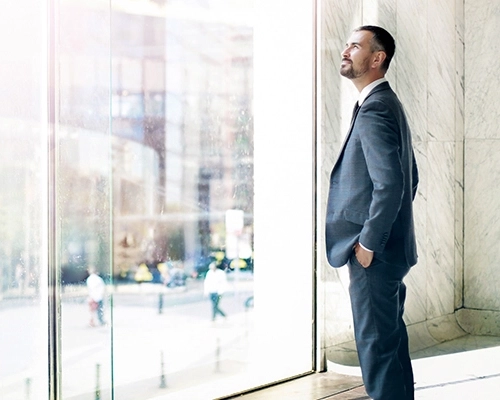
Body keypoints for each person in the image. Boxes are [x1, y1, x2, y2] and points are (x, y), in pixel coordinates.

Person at [325, 26, 419, 400]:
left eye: (356, 46)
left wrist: (368, 242)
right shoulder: (383, 103)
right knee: (391, 349)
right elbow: (409, 178)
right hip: (390, 254)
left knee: (377, 354)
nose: (346, 50)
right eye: (347, 44)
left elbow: (393, 184)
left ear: (377, 59)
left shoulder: (376, 108)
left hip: (373, 258)